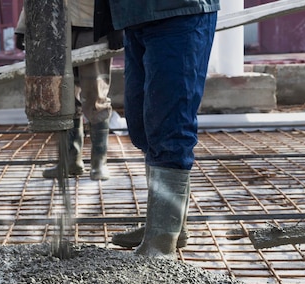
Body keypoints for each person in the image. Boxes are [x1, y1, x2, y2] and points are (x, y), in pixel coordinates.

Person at [94, 0, 220, 258]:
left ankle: (161, 242)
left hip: (178, 13)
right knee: (143, 126)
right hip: (135, 17)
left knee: (170, 124)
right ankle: (167, 225)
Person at [14, 1, 123, 181]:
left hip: (93, 29)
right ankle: (70, 161)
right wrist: (23, 27)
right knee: (66, 98)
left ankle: (98, 163)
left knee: (96, 97)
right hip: (57, 30)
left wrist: (118, 25)